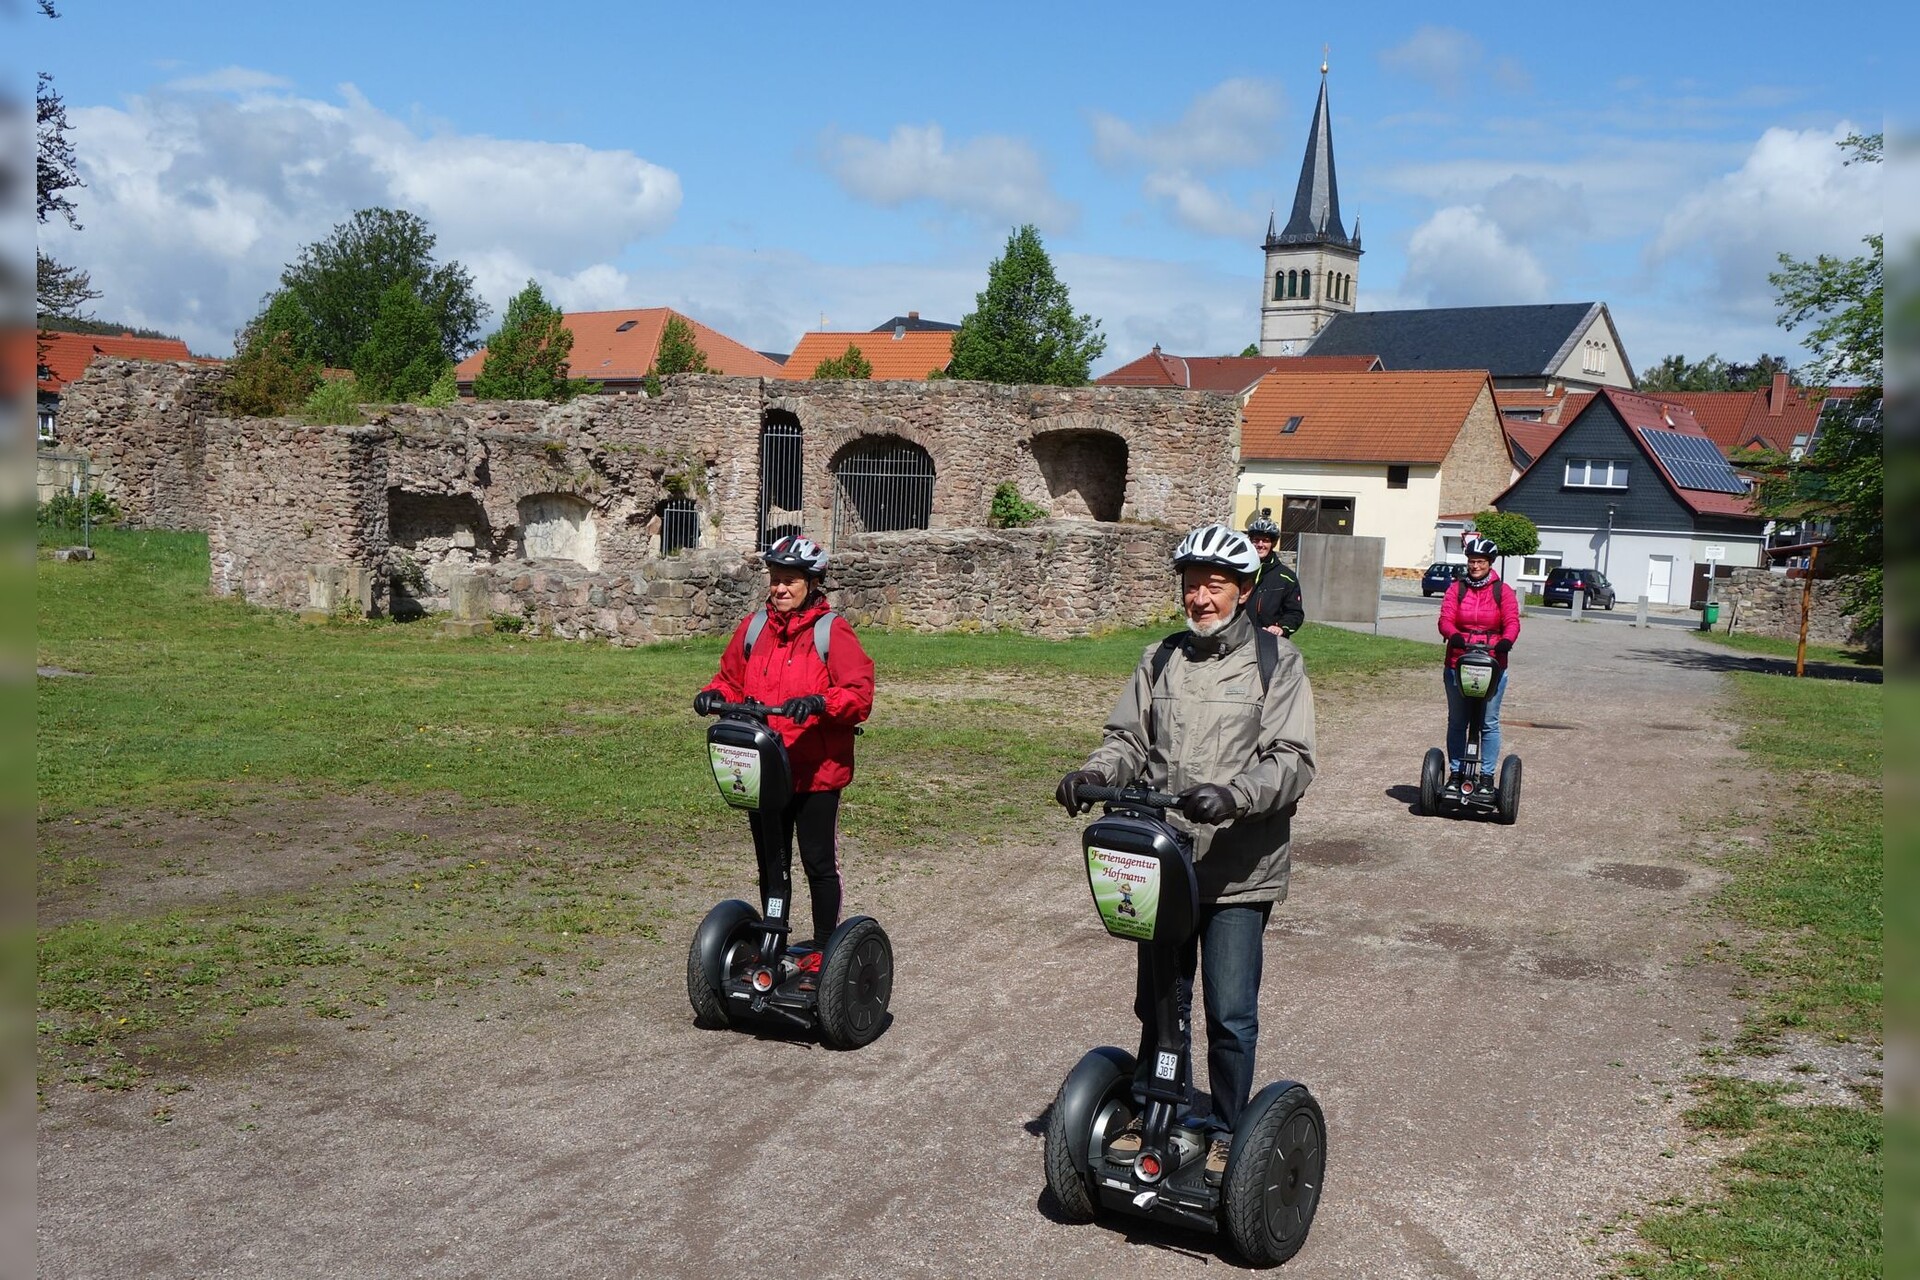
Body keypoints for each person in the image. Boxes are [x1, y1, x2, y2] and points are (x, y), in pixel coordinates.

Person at [1055, 523, 1317, 1179]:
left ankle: (1228, 1128)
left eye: (1215, 585)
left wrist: (1234, 795)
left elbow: (1292, 761)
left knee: (1229, 1012)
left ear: (1245, 591)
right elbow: (1126, 741)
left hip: (1238, 870)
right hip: (1165, 863)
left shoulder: (1276, 663)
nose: (1200, 597)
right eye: (1192, 584)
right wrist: (1095, 775)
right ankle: (1157, 1107)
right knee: (1159, 1002)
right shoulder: (1160, 657)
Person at [694, 535, 875, 970]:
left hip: (816, 770)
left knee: (817, 862)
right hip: (765, 767)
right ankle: (773, 940)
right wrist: (711, 694)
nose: (780, 588)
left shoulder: (832, 632)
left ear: (812, 583)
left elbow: (858, 694)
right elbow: (730, 679)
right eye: (775, 579)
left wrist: (820, 702)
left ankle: (826, 948)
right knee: (771, 861)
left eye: (790, 580)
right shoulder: (755, 628)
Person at [1436, 533, 1522, 788]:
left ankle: (1485, 776)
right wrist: (1453, 635)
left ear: (1490, 563)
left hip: (1493, 663)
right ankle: (1456, 773)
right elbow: (1445, 619)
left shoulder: (1502, 591)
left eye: (1480, 561)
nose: (1475, 566)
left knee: (1488, 722)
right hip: (1458, 662)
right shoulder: (1456, 589)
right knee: (1458, 721)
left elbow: (1512, 621)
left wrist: (1507, 640)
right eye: (1472, 561)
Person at [1244, 509, 1304, 638]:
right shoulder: (1240, 571)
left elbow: (1295, 613)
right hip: (1240, 638)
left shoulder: (1286, 577)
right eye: (1256, 540)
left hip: (1269, 639)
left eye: (1265, 540)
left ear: (1273, 544)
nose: (1260, 545)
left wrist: (1281, 627)